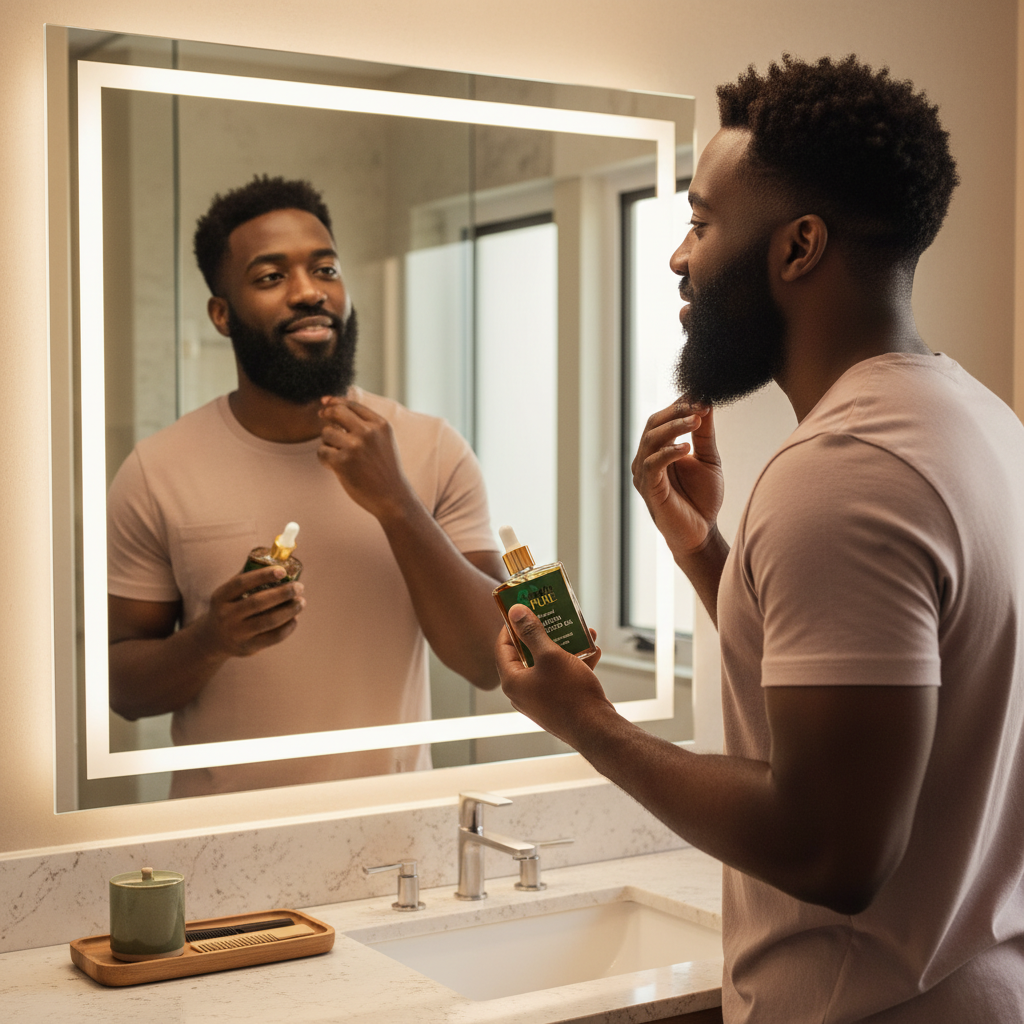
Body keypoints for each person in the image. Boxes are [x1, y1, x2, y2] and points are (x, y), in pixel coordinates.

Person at [496, 55, 1024, 1023]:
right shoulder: (975, 422)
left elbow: (835, 850)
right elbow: (884, 691)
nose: (677, 256)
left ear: (798, 247)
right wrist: (704, 550)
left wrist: (589, 722)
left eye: (699, 222)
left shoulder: (842, 468)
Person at [108, 175, 505, 797]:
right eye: (271, 277)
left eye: (325, 269)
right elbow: (123, 689)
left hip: (392, 838)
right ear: (221, 314)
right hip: (219, 840)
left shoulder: (430, 448)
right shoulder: (159, 469)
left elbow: (490, 661)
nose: (308, 293)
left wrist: (396, 502)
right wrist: (211, 639)